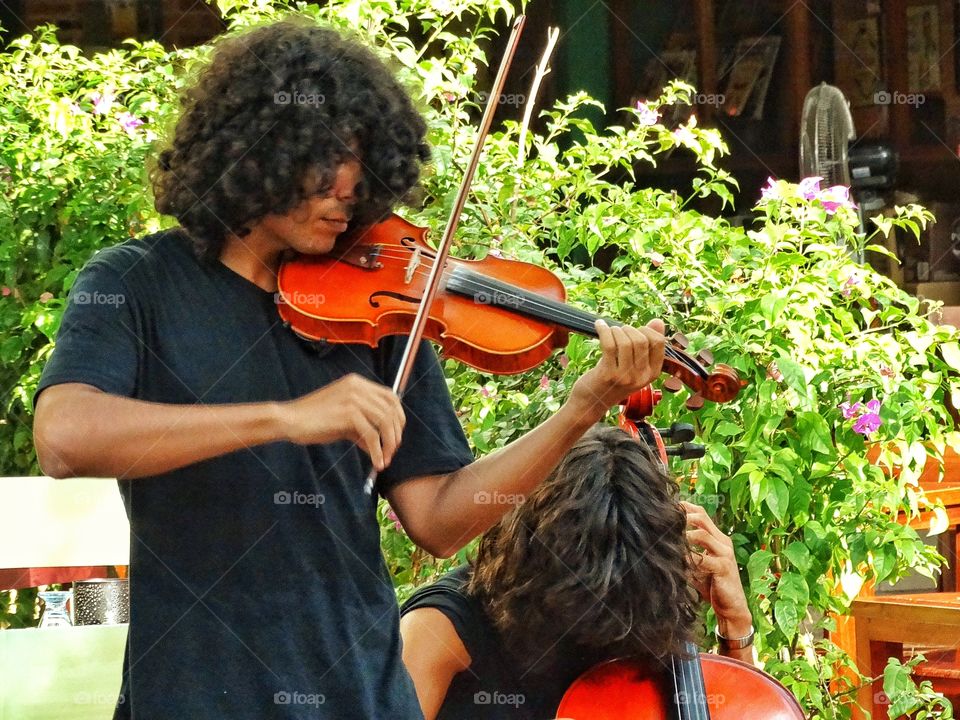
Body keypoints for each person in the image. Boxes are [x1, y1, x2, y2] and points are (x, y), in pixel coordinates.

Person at [31, 18, 667, 720]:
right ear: (261, 148)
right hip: (197, 690)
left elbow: (438, 519)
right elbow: (64, 437)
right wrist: (285, 418)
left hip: (361, 694)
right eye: (331, 160)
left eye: (365, 162)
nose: (351, 187)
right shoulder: (136, 283)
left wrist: (579, 410)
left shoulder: (381, 300)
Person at [399, 424, 754, 720]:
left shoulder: (644, 606)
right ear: (532, 561)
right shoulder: (440, 628)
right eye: (587, 596)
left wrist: (735, 624)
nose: (607, 626)